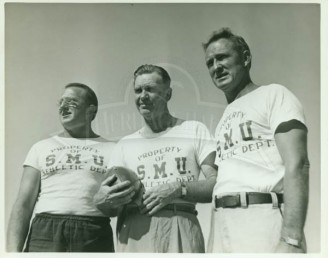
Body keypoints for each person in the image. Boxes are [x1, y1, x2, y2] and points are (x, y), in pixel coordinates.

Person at [202, 28, 309, 253]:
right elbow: (223, 183)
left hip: (261, 216)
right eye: (210, 62)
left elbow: (298, 164)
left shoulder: (274, 94)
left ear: (246, 58)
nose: (216, 67)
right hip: (223, 225)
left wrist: (292, 238)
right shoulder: (223, 120)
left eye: (222, 57)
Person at [94, 64, 217, 253]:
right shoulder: (124, 145)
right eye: (138, 90)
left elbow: (216, 185)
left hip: (180, 224)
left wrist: (178, 189)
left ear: (168, 94)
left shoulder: (194, 130)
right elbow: (111, 207)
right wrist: (103, 200)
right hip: (136, 230)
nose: (142, 96)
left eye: (150, 89)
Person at [6, 83, 116, 252]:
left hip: (93, 231)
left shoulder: (113, 149)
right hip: (45, 232)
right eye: (61, 102)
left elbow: (119, 203)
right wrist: (12, 252)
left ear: (91, 111)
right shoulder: (41, 147)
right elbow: (24, 203)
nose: (63, 106)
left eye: (72, 102)